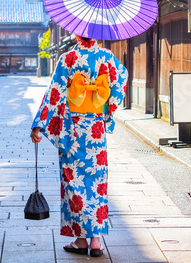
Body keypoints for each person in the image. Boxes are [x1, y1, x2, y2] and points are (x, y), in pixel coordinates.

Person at [30, 35, 127, 257]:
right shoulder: (107, 57)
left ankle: (80, 240)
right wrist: (106, 109)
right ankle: (95, 242)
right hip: (95, 131)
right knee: (97, 185)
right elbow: (121, 79)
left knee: (74, 183)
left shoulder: (68, 58)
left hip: (72, 129)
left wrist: (39, 125)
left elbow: (54, 94)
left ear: (76, 33)